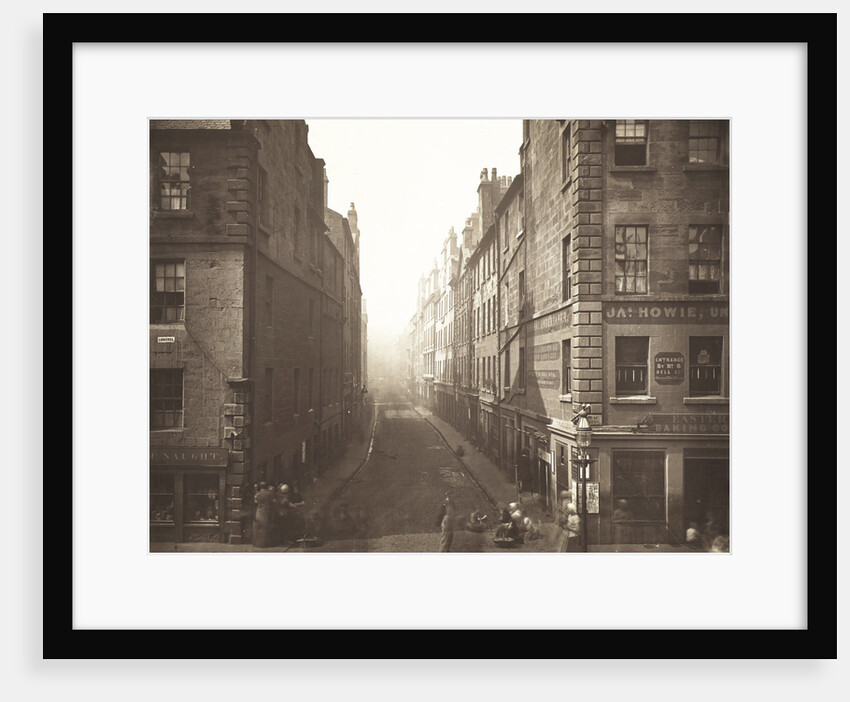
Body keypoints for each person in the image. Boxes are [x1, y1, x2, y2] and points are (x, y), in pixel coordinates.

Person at [253, 483, 275, 548]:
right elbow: (273, 502)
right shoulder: (269, 494)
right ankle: (265, 544)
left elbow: (255, 502)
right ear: (266, 487)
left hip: (259, 512)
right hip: (267, 511)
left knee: (258, 528)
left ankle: (258, 544)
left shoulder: (257, 494)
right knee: (266, 528)